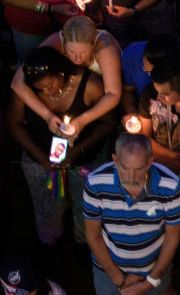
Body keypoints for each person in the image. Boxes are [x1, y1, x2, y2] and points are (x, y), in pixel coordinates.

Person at [8, 46, 112, 245]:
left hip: (85, 161)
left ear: (61, 71)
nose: (47, 91)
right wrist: (41, 158)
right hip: (41, 163)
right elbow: (13, 125)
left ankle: (85, 243)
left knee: (87, 208)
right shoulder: (25, 91)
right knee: (47, 208)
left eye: (50, 84)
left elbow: (108, 123)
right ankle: (51, 241)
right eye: (40, 89)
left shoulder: (90, 85)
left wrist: (78, 151)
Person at [83, 134, 180, 295]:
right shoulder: (95, 183)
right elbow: (93, 236)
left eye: (139, 168)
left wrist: (152, 279)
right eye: (124, 167)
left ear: (149, 162)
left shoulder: (169, 185)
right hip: (108, 264)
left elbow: (172, 237)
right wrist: (118, 279)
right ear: (115, 159)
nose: (131, 176)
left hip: (154, 263)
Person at [9, 16, 122, 143]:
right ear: (64, 42)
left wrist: (82, 120)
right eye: (71, 52)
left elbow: (113, 94)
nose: (78, 58)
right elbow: (17, 83)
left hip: (102, 97)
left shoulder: (105, 48)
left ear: (93, 43)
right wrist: (47, 116)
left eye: (84, 52)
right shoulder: (55, 41)